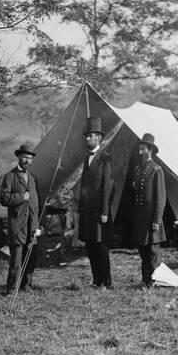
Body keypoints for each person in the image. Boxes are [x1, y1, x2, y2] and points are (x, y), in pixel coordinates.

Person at [0, 144, 42, 295]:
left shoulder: (33, 178)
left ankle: (26, 285)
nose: (27, 160)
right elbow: (4, 199)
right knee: (16, 260)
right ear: (18, 157)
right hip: (17, 226)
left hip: (31, 226)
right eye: (24, 157)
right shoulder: (9, 177)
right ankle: (12, 288)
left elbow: (36, 203)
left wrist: (37, 225)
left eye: (30, 158)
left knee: (31, 258)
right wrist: (21, 198)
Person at [78, 117, 114, 289]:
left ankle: (106, 281)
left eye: (90, 136)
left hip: (100, 211)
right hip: (87, 212)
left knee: (100, 247)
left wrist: (105, 211)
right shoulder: (86, 159)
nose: (87, 139)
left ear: (98, 137)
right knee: (90, 246)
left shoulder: (106, 158)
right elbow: (84, 186)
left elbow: (107, 187)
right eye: (86, 136)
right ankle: (96, 279)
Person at [129, 133, 167, 287]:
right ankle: (146, 280)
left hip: (152, 218)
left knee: (153, 251)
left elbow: (160, 198)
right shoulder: (137, 170)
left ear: (150, 150)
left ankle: (155, 280)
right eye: (139, 149)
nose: (140, 152)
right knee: (143, 250)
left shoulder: (156, 170)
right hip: (140, 218)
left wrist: (157, 220)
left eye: (143, 149)